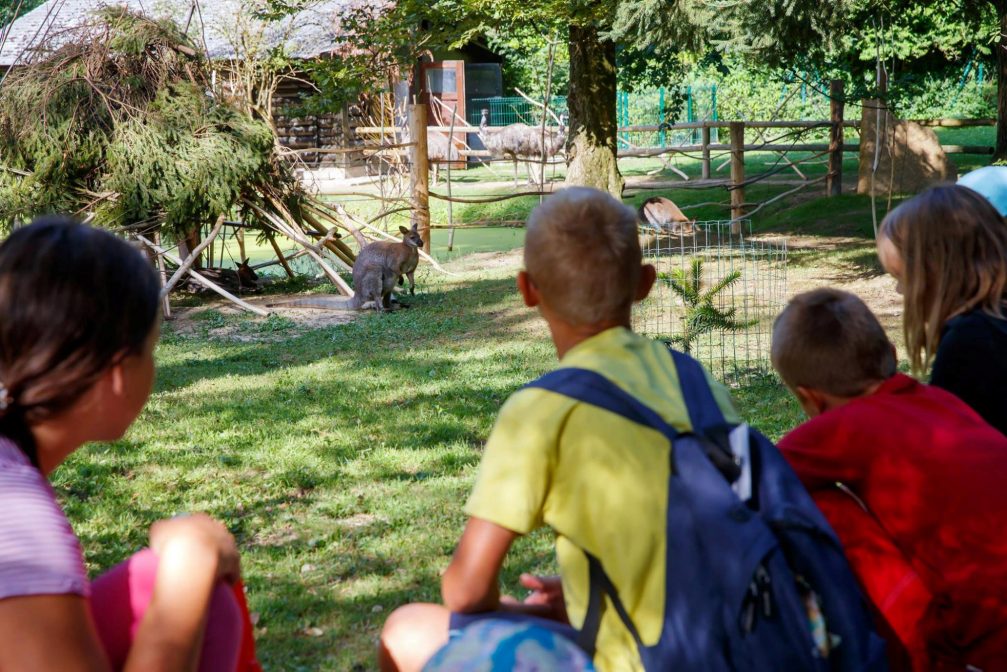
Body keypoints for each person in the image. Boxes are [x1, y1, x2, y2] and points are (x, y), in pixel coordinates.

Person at [378, 187, 740, 672]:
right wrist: (581, 596)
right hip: (735, 641)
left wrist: (513, 609)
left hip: (641, 659)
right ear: (646, 283)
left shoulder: (541, 410)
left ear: (527, 289)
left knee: (406, 631)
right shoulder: (699, 383)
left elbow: (464, 591)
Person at [0, 217, 255, 671]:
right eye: (151, 350)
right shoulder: (19, 519)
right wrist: (189, 564)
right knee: (197, 596)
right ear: (118, 374)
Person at [771, 287, 1007, 670]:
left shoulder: (844, 428)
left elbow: (765, 472)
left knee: (823, 504)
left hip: (988, 637)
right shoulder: (940, 401)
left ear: (810, 399)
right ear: (892, 355)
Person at [877, 184, 1007, 435]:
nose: (900, 291)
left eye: (903, 277)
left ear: (939, 272)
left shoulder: (970, 341)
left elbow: (950, 449)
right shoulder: (994, 324)